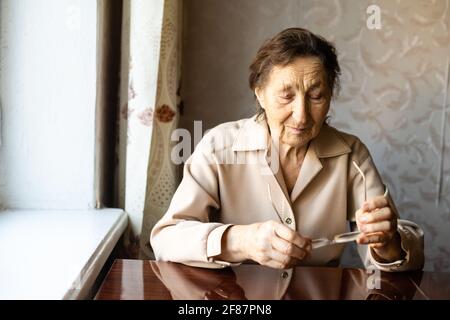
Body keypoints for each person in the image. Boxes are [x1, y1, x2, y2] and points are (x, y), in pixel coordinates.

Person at [150, 27, 424, 271]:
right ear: (259, 92)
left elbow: (405, 257)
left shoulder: (351, 154)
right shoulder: (218, 146)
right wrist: (243, 241)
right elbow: (166, 240)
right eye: (286, 96)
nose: (301, 115)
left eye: (316, 96)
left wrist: (387, 245)